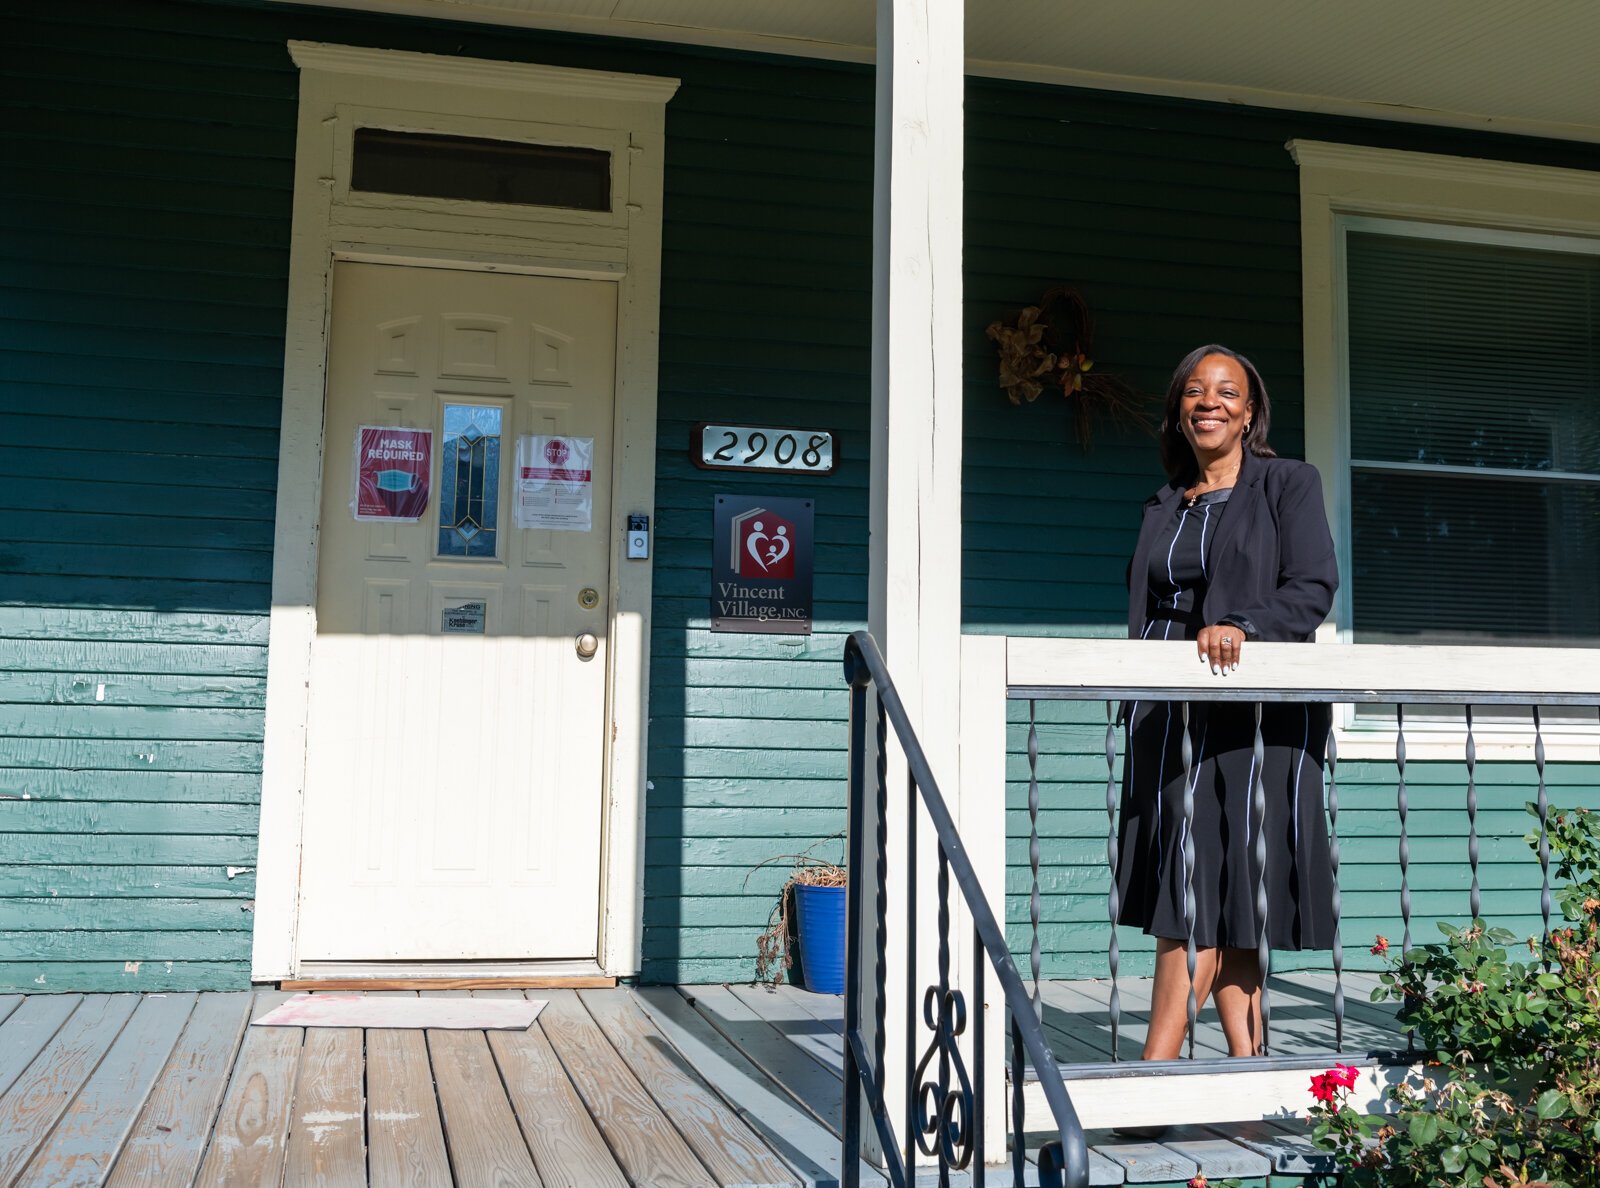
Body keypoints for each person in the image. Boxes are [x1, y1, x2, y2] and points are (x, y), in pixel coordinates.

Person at [1118, 344, 1339, 1060]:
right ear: (1179, 410)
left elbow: (1311, 587)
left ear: (1249, 413)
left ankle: (1152, 1077)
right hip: (1170, 717)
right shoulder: (1162, 505)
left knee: (1202, 895)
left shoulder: (1286, 484)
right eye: (1194, 391)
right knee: (1213, 892)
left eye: (1227, 393)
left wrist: (1242, 628)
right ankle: (1247, 1077)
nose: (1209, 402)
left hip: (1256, 723)